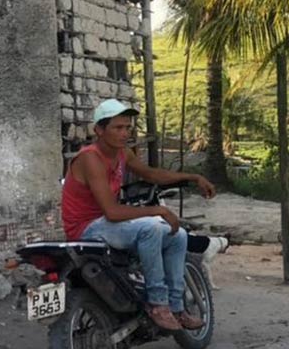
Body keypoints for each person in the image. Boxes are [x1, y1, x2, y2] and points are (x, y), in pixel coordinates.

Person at [62, 99, 216, 332]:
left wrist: (193, 178)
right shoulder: (90, 158)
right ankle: (157, 304)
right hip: (87, 228)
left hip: (105, 224)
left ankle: (176, 308)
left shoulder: (121, 153)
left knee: (179, 235)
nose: (125, 133)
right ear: (99, 130)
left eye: (128, 127)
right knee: (151, 228)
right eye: (118, 128)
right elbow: (112, 212)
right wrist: (160, 210)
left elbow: (152, 174)